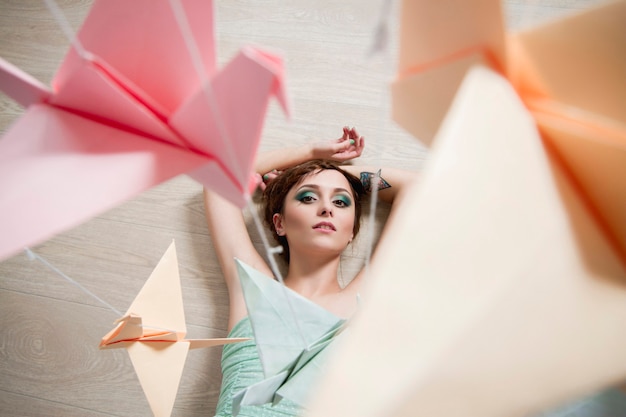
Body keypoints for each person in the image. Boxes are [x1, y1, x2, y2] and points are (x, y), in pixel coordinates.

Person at [204, 126, 416, 416]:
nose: (326, 208)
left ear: (351, 232)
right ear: (280, 223)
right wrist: (312, 156)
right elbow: (218, 177)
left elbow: (415, 188)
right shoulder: (252, 289)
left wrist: (323, 174)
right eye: (307, 198)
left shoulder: (363, 299)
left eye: (340, 202)